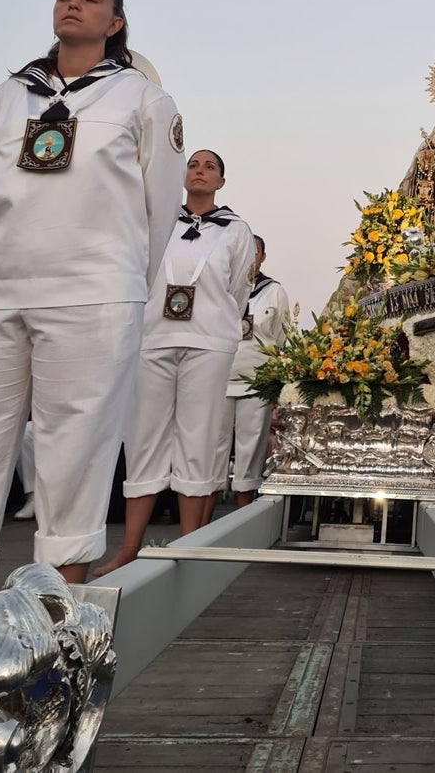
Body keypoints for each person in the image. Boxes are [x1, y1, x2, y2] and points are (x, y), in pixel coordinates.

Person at [0, 0, 184, 630]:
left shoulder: (142, 99)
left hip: (89, 289)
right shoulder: (8, 96)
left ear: (116, 23)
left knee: (75, 451)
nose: (74, 3)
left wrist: (120, 285)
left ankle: (48, 638)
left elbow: (159, 210)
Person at [96, 150, 254, 573]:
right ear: (183, 175)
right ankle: (129, 547)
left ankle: (189, 545)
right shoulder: (156, 220)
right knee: (144, 438)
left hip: (208, 340)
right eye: (193, 165)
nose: (200, 171)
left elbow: (238, 291)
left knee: (197, 438)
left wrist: (215, 324)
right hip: (155, 337)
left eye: (210, 167)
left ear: (221, 181)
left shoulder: (236, 229)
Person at [210, 234, 290, 512]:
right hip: (219, 379)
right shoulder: (219, 288)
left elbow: (281, 339)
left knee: (249, 450)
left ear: (262, 258)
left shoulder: (274, 292)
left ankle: (242, 516)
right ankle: (198, 523)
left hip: (256, 383)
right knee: (213, 451)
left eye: (254, 252)